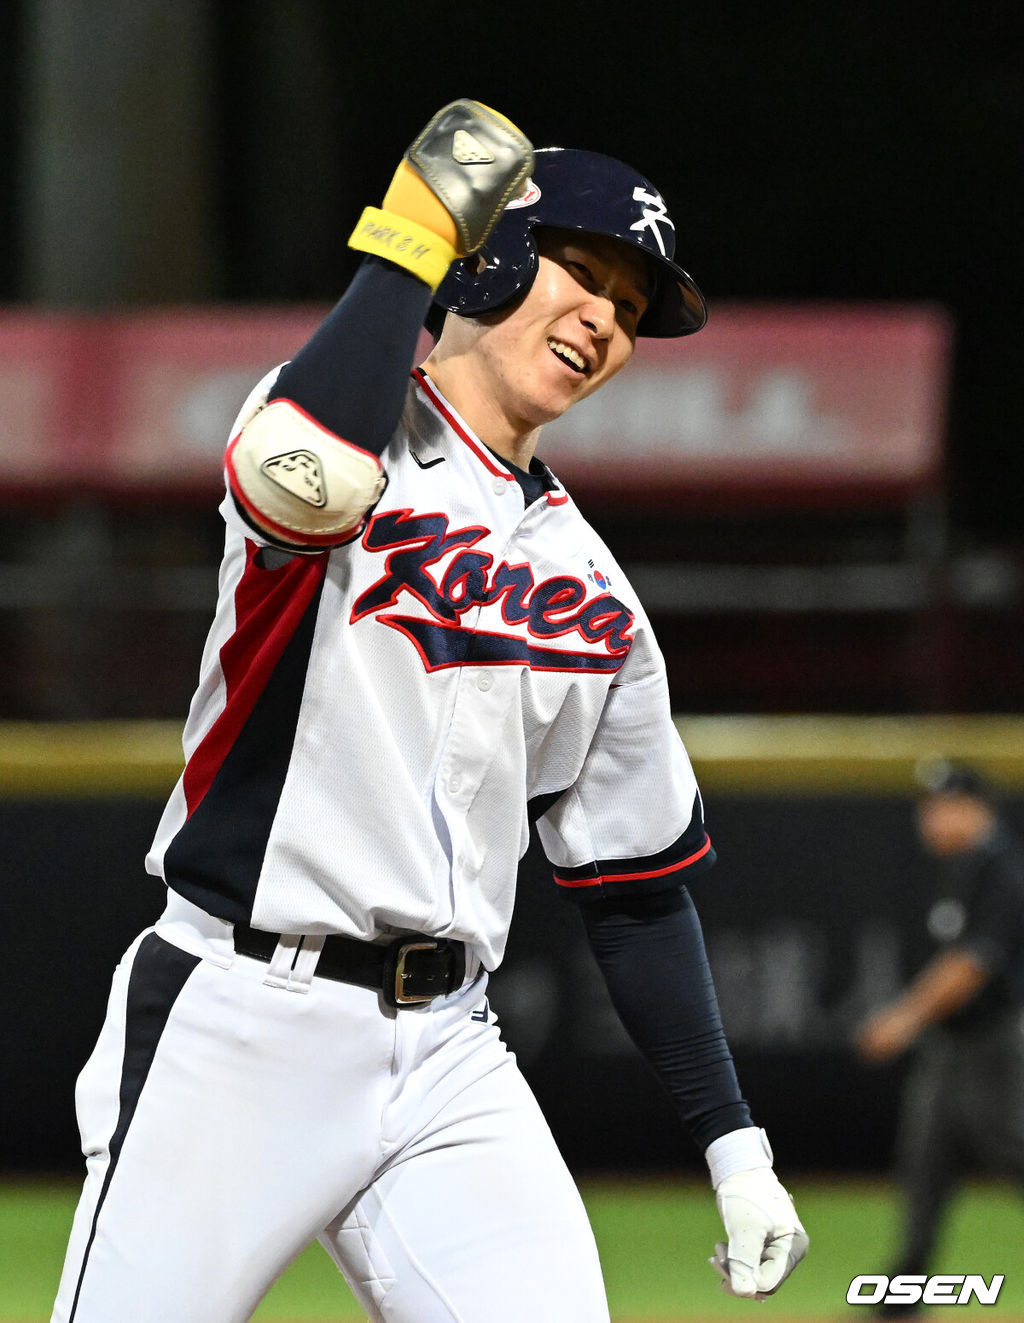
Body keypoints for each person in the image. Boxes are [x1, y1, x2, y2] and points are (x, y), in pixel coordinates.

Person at [52, 100, 807, 1323]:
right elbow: (305, 486)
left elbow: (636, 890)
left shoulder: (597, 594)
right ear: (500, 254)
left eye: (630, 308)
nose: (605, 320)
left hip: (451, 1049)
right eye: (583, 268)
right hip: (244, 1019)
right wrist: (412, 247)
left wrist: (735, 1147)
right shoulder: (343, 426)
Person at [855, 760, 1024, 1315]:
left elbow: (973, 965)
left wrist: (904, 1018)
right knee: (926, 1162)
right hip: (953, 1047)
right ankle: (903, 1294)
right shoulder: (962, 869)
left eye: (941, 805)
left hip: (997, 1044)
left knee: (1012, 1153)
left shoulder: (1002, 869)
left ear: (973, 807)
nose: (928, 818)